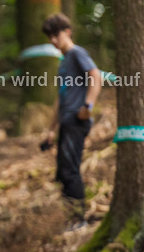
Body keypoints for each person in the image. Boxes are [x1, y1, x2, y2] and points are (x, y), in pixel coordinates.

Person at [41, 13, 102, 227]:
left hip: (77, 120)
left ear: (67, 32)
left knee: (71, 170)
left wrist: (88, 106)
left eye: (56, 35)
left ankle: (79, 220)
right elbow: (60, 97)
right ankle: (71, 220)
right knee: (63, 173)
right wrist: (51, 129)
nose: (53, 41)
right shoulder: (63, 62)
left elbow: (96, 75)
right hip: (66, 121)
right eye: (50, 37)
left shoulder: (77, 53)